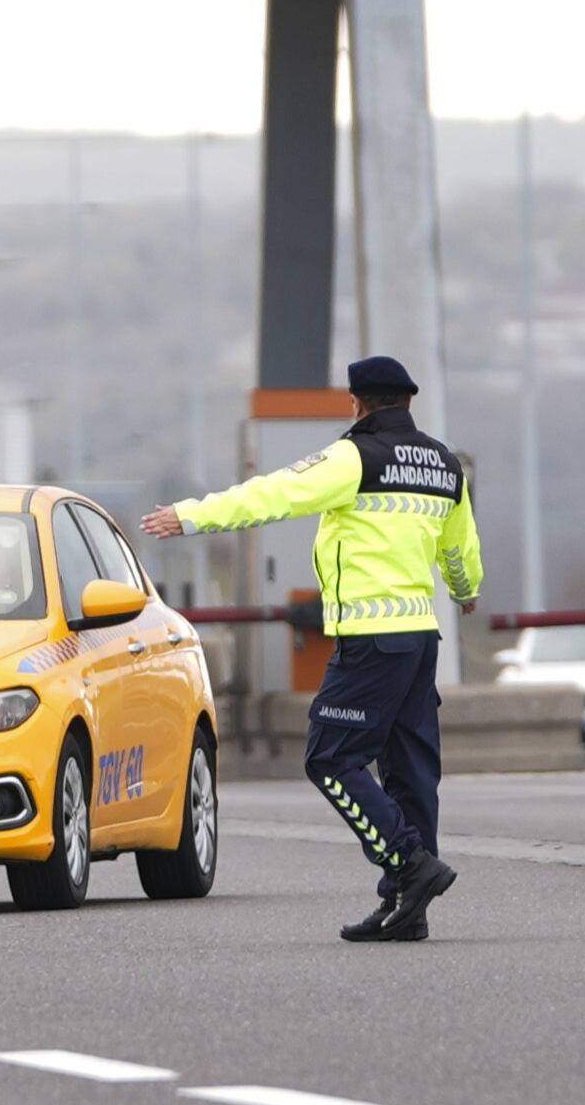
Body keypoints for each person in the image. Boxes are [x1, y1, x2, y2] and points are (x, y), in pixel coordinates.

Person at [144, 355, 482, 942]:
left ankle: (409, 864)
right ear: (408, 401)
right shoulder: (444, 465)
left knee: (330, 757)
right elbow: (460, 547)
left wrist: (190, 517)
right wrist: (465, 590)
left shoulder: (355, 457)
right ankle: (408, 907)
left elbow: (273, 495)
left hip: (371, 638)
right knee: (411, 771)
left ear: (356, 403)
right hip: (419, 639)